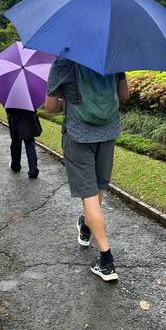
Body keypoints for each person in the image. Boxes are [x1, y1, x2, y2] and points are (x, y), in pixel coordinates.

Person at [45, 59, 129, 282]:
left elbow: (50, 107)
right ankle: (86, 225)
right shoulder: (112, 57)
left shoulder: (63, 62)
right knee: (99, 186)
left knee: (88, 194)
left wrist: (70, 104)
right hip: (108, 131)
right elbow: (124, 95)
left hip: (78, 135)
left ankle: (106, 260)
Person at [6, 108, 42, 178]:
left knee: (16, 143)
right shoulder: (30, 97)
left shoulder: (11, 97)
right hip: (28, 118)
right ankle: (33, 171)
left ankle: (15, 166)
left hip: (14, 118)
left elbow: (7, 108)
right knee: (30, 144)